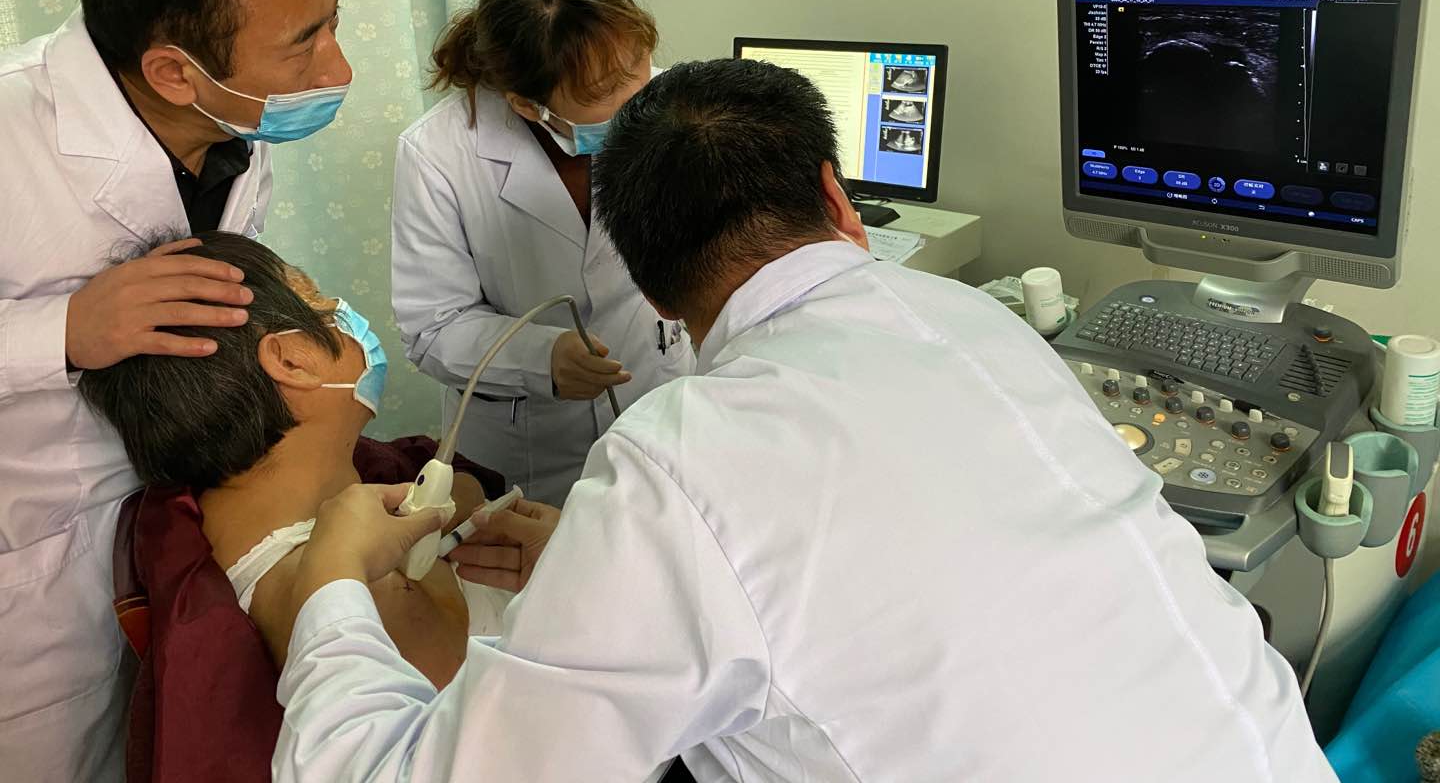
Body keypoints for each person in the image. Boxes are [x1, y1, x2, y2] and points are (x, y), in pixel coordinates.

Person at [272, 58, 1337, 782]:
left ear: (651, 291)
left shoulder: (678, 466)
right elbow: (907, 564)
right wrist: (617, 568)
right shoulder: (978, 320)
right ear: (837, 199)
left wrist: (328, 590)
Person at [0, 0, 349, 780]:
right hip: (29, 584)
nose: (339, 69)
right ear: (171, 71)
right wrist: (61, 332)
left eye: (334, 19)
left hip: (170, 535)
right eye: (304, 45)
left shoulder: (232, 132)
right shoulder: (8, 128)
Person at [78, 233, 512, 690]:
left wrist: (460, 499)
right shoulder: (364, 601)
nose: (341, 311)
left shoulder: (229, 518)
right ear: (291, 363)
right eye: (321, 304)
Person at [390, 0, 694, 505]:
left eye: (637, 69)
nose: (640, 102)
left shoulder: (678, 101)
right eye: (602, 96)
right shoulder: (438, 153)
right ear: (529, 107)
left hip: (659, 397)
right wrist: (542, 358)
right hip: (529, 447)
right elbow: (432, 326)